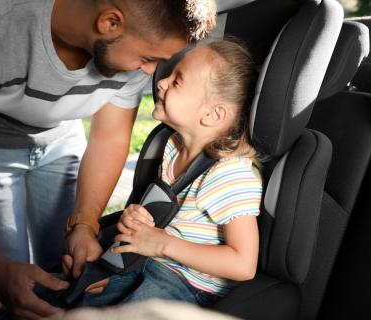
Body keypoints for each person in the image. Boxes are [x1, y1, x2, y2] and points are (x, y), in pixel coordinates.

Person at [0, 0, 217, 318]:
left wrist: (84, 224)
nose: (151, 74)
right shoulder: (0, 27)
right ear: (110, 23)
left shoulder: (130, 44)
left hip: (62, 137)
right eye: (148, 59)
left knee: (61, 265)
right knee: (2, 288)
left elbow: (110, 137)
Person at [43, 39, 263, 309]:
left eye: (178, 81)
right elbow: (171, 218)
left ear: (213, 114)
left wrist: (162, 244)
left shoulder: (230, 175)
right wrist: (138, 219)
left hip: (187, 282)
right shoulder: (172, 146)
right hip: (148, 261)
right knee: (67, 295)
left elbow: (243, 264)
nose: (161, 82)